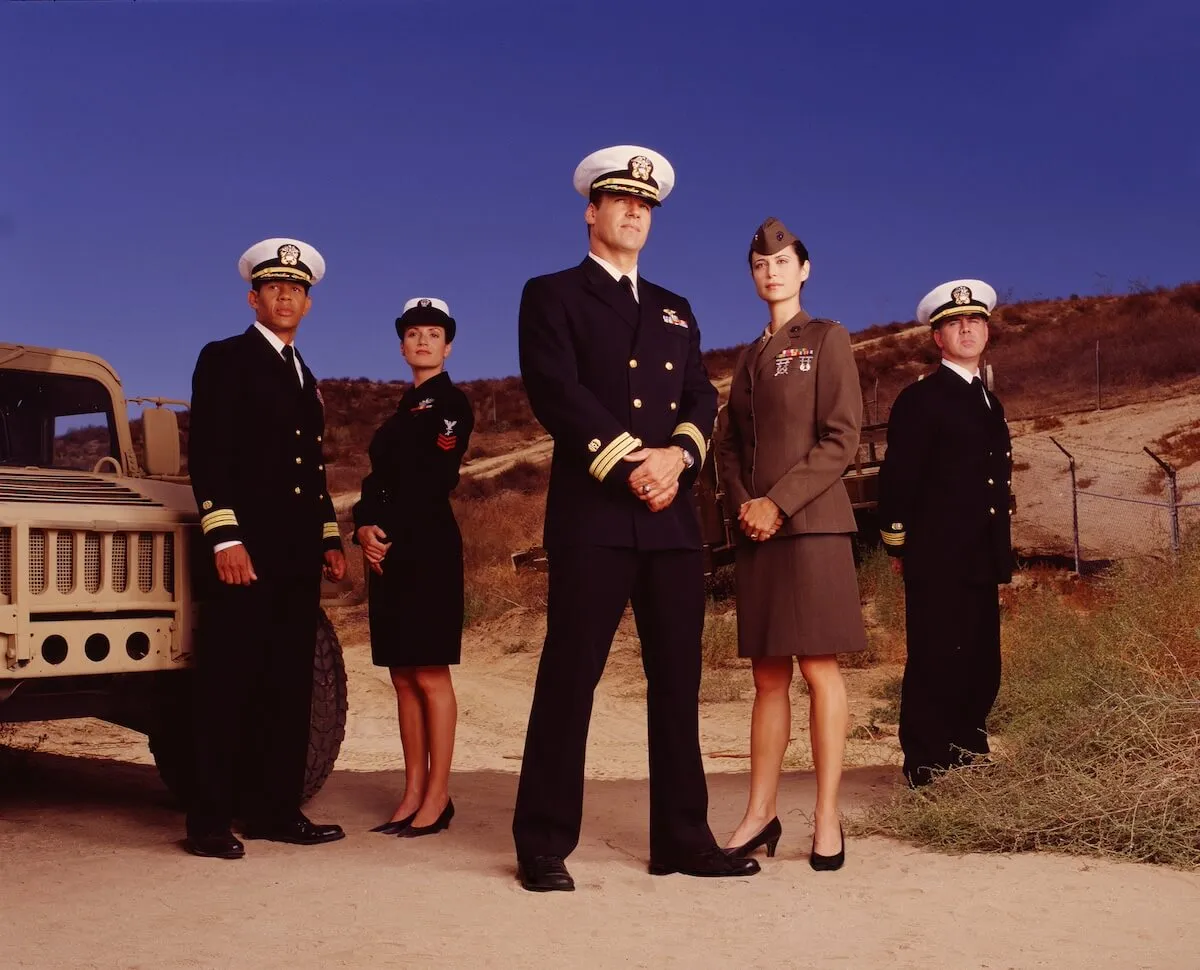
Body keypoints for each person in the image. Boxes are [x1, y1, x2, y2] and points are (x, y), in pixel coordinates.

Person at [511, 145, 760, 892]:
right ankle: (544, 841)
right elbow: (555, 392)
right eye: (621, 201)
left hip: (671, 524)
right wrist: (632, 463)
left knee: (677, 681)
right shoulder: (551, 294)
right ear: (592, 211)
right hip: (595, 514)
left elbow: (700, 397)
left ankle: (683, 838)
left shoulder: (674, 308)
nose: (634, 213)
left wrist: (679, 460)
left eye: (645, 205)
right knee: (570, 677)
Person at [184, 237, 347, 859]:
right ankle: (207, 822)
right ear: (254, 297)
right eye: (275, 287)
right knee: (230, 684)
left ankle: (276, 810)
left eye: (297, 289)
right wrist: (225, 536)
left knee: (288, 686)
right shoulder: (225, 357)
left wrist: (329, 537)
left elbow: (314, 468)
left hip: (297, 554)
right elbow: (210, 456)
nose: (286, 296)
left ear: (308, 303)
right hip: (245, 551)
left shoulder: (306, 375)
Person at [713, 217, 867, 871]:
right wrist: (745, 505)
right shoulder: (748, 357)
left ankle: (827, 820)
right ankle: (760, 813)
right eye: (759, 264)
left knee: (818, 669)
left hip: (812, 526)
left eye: (782, 262)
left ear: (804, 270)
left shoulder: (827, 338)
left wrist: (777, 501)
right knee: (767, 676)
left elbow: (842, 438)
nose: (770, 271)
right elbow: (728, 445)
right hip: (759, 532)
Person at [877, 279, 1014, 788]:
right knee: (936, 657)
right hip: (937, 555)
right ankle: (927, 763)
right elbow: (899, 477)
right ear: (938, 337)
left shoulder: (988, 401)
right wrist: (898, 540)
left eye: (974, 321)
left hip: (980, 554)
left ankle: (968, 752)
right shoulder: (922, 398)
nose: (966, 329)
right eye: (955, 323)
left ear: (987, 330)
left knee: (980, 661)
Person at [353, 298, 474, 838]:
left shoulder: (451, 405)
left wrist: (389, 529)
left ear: (447, 347)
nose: (422, 341)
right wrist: (364, 527)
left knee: (429, 672)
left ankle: (439, 795)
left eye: (433, 333)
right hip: (388, 553)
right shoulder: (400, 414)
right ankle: (411, 792)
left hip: (426, 550)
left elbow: (434, 477)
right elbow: (374, 483)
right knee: (402, 676)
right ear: (402, 346)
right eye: (413, 334)